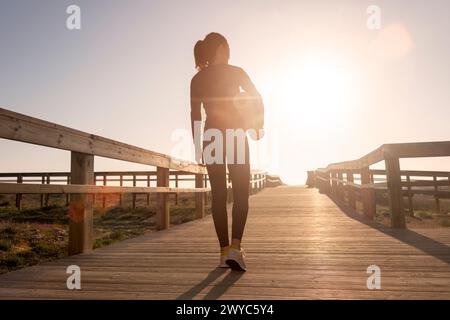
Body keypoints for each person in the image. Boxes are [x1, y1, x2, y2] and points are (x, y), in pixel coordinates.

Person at [190, 32, 262, 271]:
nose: (230, 49)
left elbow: (195, 116)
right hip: (236, 135)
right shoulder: (236, 72)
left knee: (218, 196)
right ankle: (235, 248)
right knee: (241, 194)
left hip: (211, 137)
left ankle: (223, 253)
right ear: (221, 48)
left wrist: (198, 146)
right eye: (228, 45)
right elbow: (257, 97)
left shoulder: (197, 79)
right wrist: (257, 124)